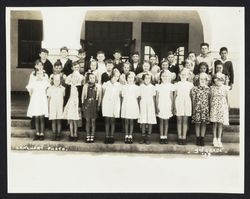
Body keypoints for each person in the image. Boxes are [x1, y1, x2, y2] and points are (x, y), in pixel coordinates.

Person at [62, 61, 84, 142]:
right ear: (72, 68)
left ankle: (75, 134)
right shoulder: (69, 79)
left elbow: (81, 95)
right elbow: (66, 94)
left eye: (78, 68)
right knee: (71, 119)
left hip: (77, 102)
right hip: (70, 102)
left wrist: (80, 106)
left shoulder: (81, 78)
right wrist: (65, 104)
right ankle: (71, 134)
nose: (76, 69)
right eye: (75, 67)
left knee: (75, 120)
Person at [26, 69, 50, 140]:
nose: (39, 75)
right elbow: (30, 89)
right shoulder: (33, 82)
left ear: (43, 74)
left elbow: (48, 89)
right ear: (36, 74)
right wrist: (32, 96)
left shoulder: (45, 82)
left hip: (42, 100)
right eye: (38, 73)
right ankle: (37, 133)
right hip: (36, 100)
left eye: (41, 73)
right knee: (36, 117)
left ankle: (42, 133)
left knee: (41, 117)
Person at [173, 68, 194, 145]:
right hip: (179, 102)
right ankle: (179, 137)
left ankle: (184, 137)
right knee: (179, 121)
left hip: (187, 102)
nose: (183, 76)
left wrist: (192, 105)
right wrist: (174, 106)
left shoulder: (190, 85)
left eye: (185, 74)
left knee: (185, 121)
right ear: (179, 75)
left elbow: (191, 96)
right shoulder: (177, 84)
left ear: (188, 75)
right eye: (182, 74)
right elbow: (175, 96)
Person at [210, 73, 230, 148]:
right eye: (217, 79)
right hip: (215, 106)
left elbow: (227, 97)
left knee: (220, 123)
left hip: (222, 106)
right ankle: (214, 139)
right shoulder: (212, 88)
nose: (218, 81)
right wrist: (210, 107)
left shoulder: (225, 88)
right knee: (215, 123)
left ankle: (219, 139)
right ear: (214, 80)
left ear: (223, 80)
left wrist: (228, 105)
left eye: (221, 79)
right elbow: (211, 98)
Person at [191, 72, 211, 146]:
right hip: (197, 108)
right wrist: (193, 108)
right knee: (197, 123)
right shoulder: (195, 89)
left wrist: (208, 109)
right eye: (201, 79)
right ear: (198, 80)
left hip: (205, 109)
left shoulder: (208, 89)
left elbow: (209, 99)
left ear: (207, 80)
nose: (202, 80)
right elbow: (193, 99)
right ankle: (198, 138)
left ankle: (202, 138)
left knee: (203, 123)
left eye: (204, 79)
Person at [102, 70, 122, 144]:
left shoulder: (119, 85)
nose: (116, 78)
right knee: (107, 120)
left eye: (118, 76)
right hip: (107, 103)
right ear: (111, 76)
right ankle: (107, 136)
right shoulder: (106, 84)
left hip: (115, 103)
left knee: (113, 121)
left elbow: (119, 96)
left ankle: (112, 136)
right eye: (115, 76)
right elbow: (104, 94)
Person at [82, 72, 102, 143]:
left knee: (93, 121)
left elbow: (99, 97)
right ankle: (88, 135)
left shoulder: (98, 86)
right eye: (90, 78)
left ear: (95, 78)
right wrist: (83, 104)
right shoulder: (85, 86)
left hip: (94, 104)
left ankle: (92, 136)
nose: (92, 79)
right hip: (87, 104)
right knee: (87, 121)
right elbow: (83, 96)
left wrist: (99, 105)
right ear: (88, 78)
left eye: (93, 78)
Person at [156, 70, 175, 144]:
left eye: (166, 76)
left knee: (166, 121)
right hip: (161, 104)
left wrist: (172, 106)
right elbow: (157, 97)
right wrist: (156, 106)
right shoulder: (158, 86)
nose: (164, 77)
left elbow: (171, 96)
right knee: (161, 122)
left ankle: (165, 136)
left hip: (167, 104)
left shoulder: (170, 86)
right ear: (161, 77)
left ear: (168, 77)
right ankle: (161, 136)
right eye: (163, 76)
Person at [121, 72, 140, 144]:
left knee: (131, 121)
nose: (130, 79)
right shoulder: (124, 87)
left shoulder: (136, 87)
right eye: (129, 77)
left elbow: (137, 98)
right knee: (126, 121)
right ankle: (126, 135)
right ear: (126, 78)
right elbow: (122, 97)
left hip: (133, 104)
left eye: (132, 77)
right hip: (126, 104)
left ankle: (130, 136)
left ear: (134, 78)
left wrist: (137, 107)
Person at [138, 73, 157, 145]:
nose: (147, 80)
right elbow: (139, 98)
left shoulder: (152, 87)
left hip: (150, 105)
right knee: (143, 121)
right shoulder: (141, 87)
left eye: (149, 78)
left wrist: (155, 107)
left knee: (149, 121)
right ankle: (143, 137)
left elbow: (154, 98)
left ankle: (148, 138)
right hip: (142, 104)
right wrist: (139, 107)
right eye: (146, 78)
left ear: (151, 80)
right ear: (143, 79)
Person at [47, 74, 65, 141]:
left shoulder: (63, 89)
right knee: (54, 121)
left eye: (58, 80)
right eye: (55, 80)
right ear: (53, 81)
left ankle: (58, 135)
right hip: (53, 107)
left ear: (60, 81)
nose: (57, 81)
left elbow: (64, 98)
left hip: (60, 107)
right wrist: (48, 109)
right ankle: (54, 134)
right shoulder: (50, 88)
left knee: (59, 121)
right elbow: (48, 99)